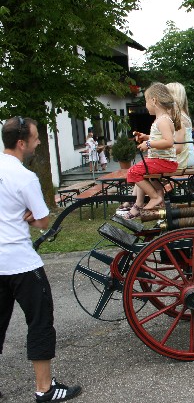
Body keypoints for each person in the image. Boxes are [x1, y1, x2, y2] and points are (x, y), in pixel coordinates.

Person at [0, 117, 82, 402]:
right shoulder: (24, 177)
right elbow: (43, 220)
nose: (37, 143)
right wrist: (31, 216)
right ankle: (45, 388)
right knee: (40, 321)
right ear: (21, 143)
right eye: (35, 139)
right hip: (21, 263)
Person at [125, 82, 179, 218]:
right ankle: (158, 196)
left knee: (133, 172)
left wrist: (149, 144)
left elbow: (168, 141)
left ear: (154, 100)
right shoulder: (161, 120)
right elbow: (160, 137)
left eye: (146, 101)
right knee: (141, 172)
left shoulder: (163, 121)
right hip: (161, 160)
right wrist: (146, 137)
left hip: (164, 161)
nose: (145, 105)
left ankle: (155, 197)